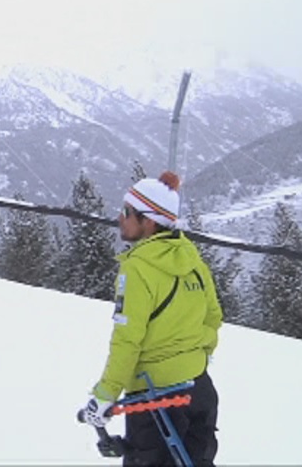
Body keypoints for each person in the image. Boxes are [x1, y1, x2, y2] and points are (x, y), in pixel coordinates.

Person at [79, 171, 223, 466]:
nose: (120, 217)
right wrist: (194, 356)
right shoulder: (192, 260)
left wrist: (105, 394)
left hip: (157, 400)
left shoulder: (137, 270)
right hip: (201, 392)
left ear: (150, 221)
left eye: (127, 211)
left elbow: (127, 340)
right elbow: (213, 317)